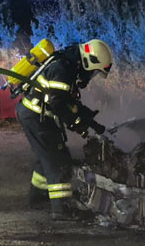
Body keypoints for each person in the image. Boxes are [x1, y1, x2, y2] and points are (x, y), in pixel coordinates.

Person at [16, 39, 113, 220]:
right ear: (88, 62)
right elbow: (59, 104)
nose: (91, 76)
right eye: (93, 72)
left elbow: (68, 100)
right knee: (58, 159)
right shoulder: (63, 70)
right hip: (37, 117)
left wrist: (91, 121)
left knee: (46, 155)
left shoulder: (68, 64)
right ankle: (61, 209)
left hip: (35, 114)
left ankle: (38, 196)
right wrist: (78, 124)